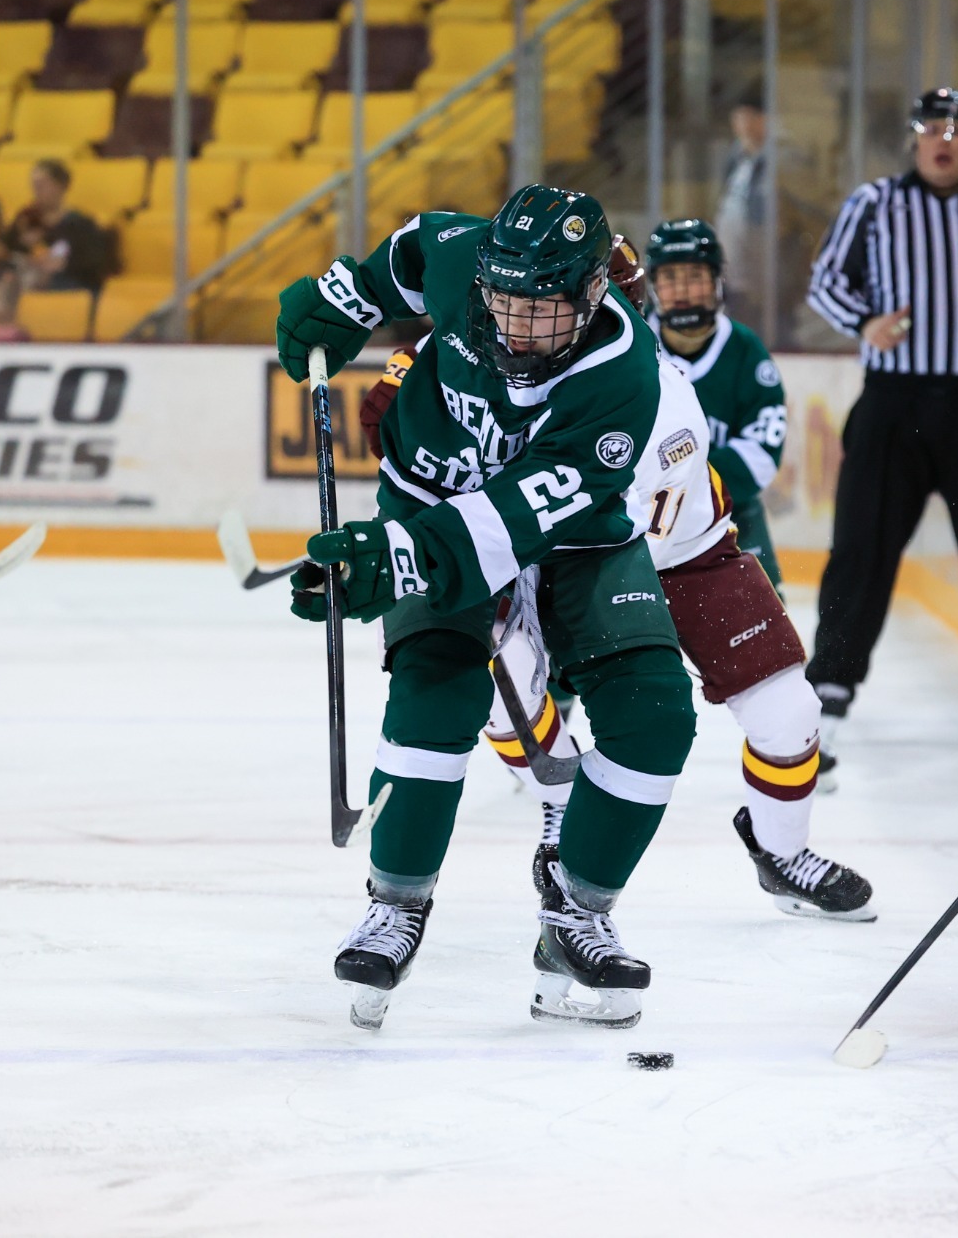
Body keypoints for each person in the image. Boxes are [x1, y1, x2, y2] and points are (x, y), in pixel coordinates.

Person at [273, 184, 697, 1032]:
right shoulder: (467, 261)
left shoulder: (622, 371)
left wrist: (393, 559)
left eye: (542, 312)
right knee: (437, 693)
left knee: (655, 712)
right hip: (430, 488)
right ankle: (395, 902)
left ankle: (575, 908)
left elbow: (517, 518)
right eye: (503, 304)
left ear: (591, 294)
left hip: (573, 527)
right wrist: (344, 298)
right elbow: (409, 253)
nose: (515, 328)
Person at [361, 236, 874, 924]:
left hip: (680, 554)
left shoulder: (658, 402)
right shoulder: (507, 364)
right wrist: (416, 394)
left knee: (790, 711)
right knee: (495, 680)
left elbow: (578, 511)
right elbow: (450, 391)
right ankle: (560, 800)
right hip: (554, 557)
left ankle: (781, 851)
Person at [805, 87, 958, 785]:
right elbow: (825, 281)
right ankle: (827, 694)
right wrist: (865, 323)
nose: (944, 138)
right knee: (861, 547)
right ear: (914, 139)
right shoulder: (875, 203)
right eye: (931, 127)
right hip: (893, 402)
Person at [642, 218, 789, 587]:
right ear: (654, 285)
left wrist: (681, 487)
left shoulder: (746, 353)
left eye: (694, 276)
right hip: (644, 523)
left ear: (717, 281)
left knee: (767, 637)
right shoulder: (630, 345)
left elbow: (759, 458)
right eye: (670, 278)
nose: (682, 290)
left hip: (734, 518)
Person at [1, 159, 111, 294]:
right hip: (29, 280)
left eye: (42, 185)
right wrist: (26, 251)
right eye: (34, 185)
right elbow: (6, 250)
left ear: (61, 186)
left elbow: (95, 263)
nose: (36, 190)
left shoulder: (80, 223)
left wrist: (64, 264)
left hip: (68, 283)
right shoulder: (26, 218)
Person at [714, 81, 770, 332]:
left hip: (759, 278)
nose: (744, 125)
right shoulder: (736, 158)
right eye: (739, 118)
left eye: (750, 118)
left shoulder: (777, 161)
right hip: (732, 271)